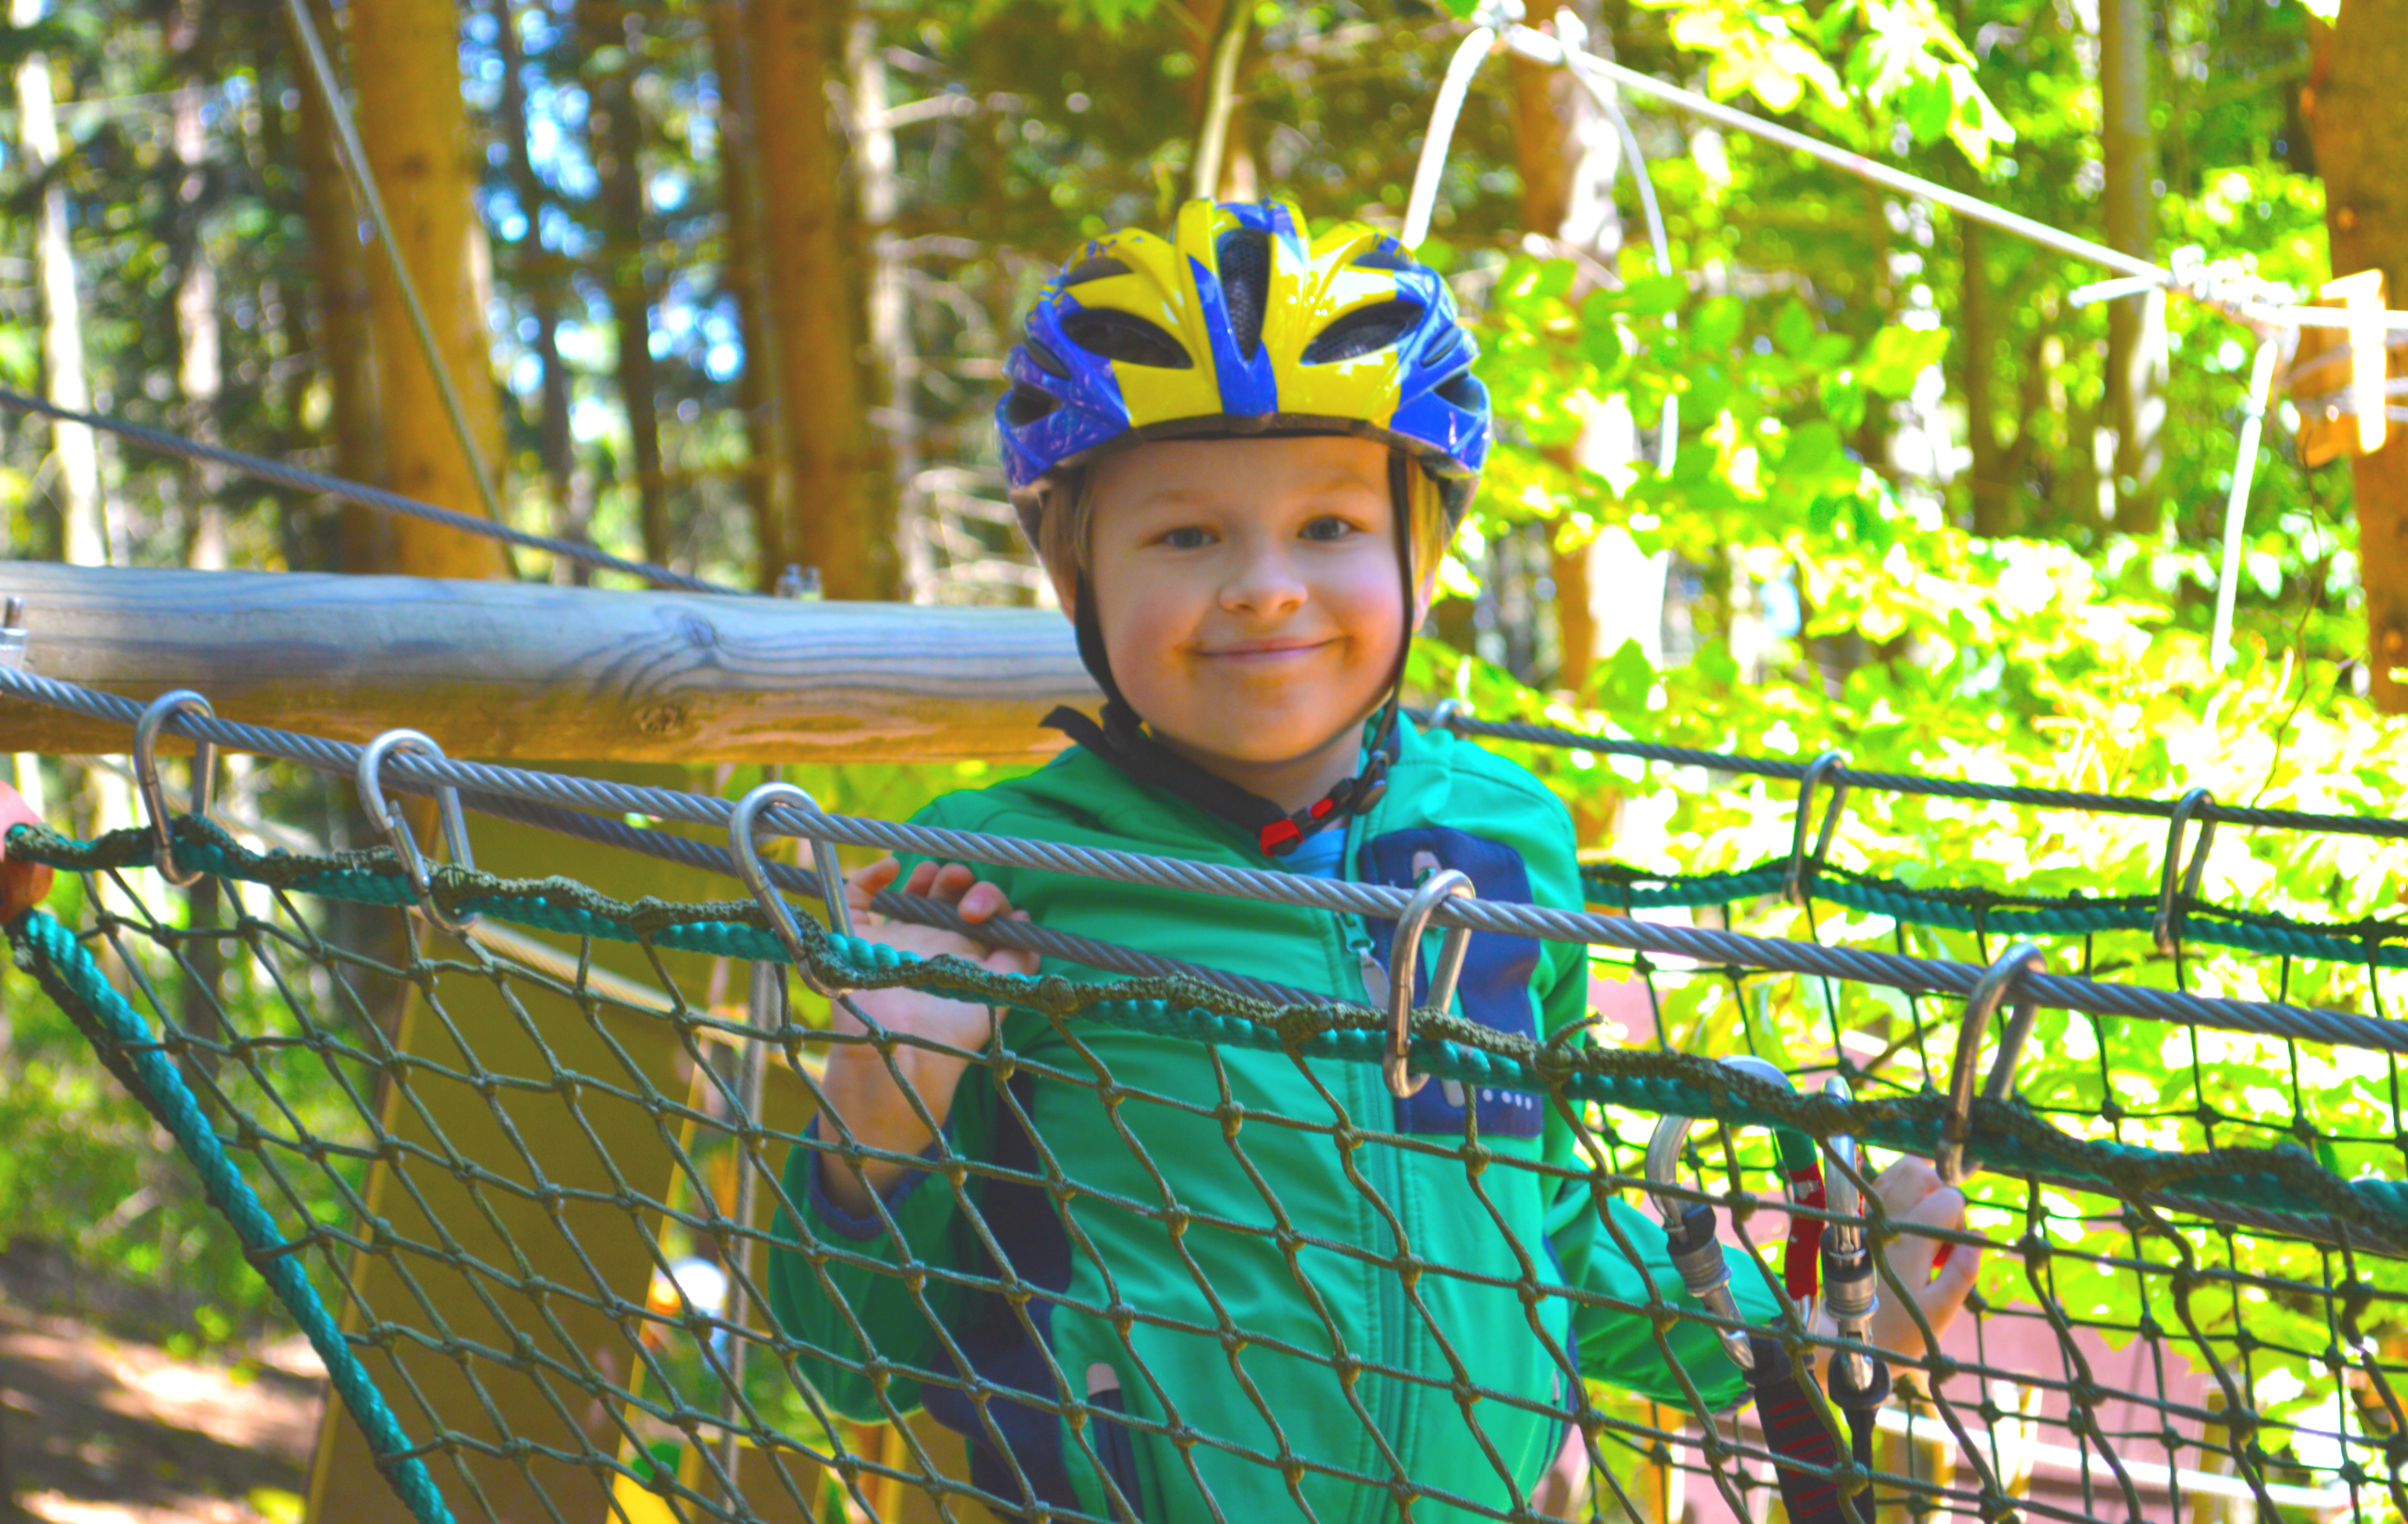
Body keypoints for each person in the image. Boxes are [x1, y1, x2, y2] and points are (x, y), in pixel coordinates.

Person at [761, 199, 1978, 1521]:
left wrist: (1816, 1319)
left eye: (1330, 526)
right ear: (1075, 572)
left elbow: (1550, 1242)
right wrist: (886, 1101)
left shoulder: (1508, 841)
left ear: (1427, 546)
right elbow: (843, 1358)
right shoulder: (1001, 876)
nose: (1266, 587)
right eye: (1185, 536)